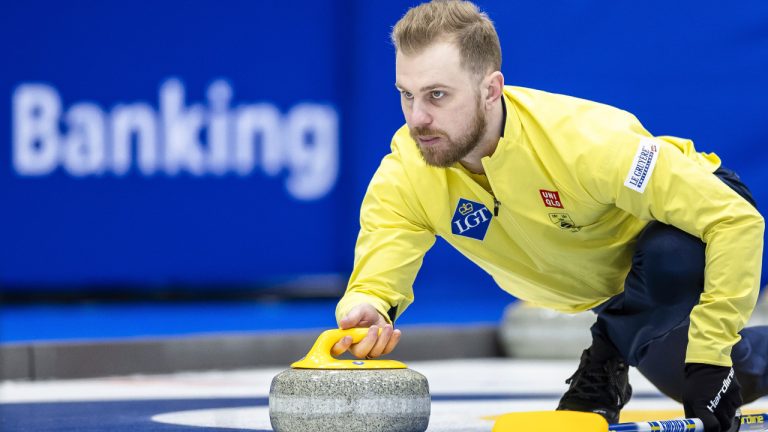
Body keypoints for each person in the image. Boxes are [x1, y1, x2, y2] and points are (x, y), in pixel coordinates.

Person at [331, 1, 766, 430]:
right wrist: (369, 310)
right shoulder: (406, 173)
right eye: (406, 95)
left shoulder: (585, 143)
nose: (417, 118)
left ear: (490, 89)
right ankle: (628, 342)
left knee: (674, 258)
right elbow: (375, 281)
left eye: (437, 95)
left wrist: (710, 357)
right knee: (742, 374)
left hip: (691, 229)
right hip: (625, 298)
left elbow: (733, 220)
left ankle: (606, 357)